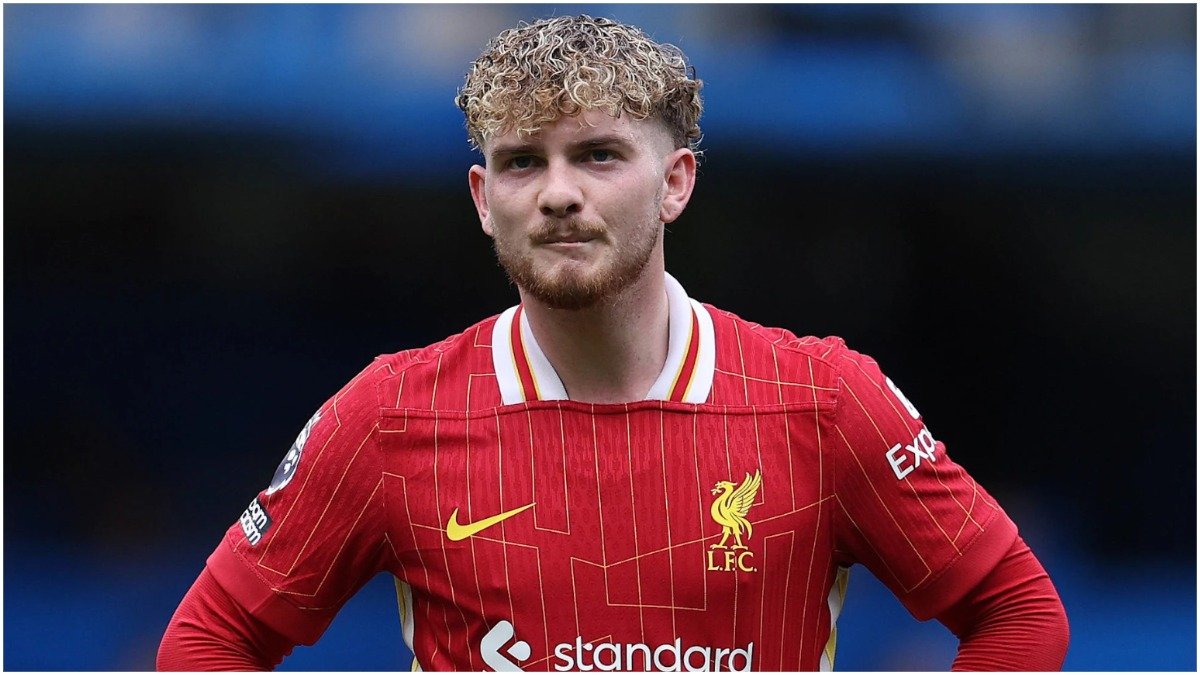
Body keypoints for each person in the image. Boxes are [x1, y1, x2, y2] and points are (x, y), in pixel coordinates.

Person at [158, 14, 1069, 672]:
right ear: (483, 199)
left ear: (675, 182)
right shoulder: (390, 415)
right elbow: (208, 641)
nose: (559, 193)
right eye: (523, 161)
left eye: (598, 155)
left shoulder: (823, 399)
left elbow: (1019, 613)